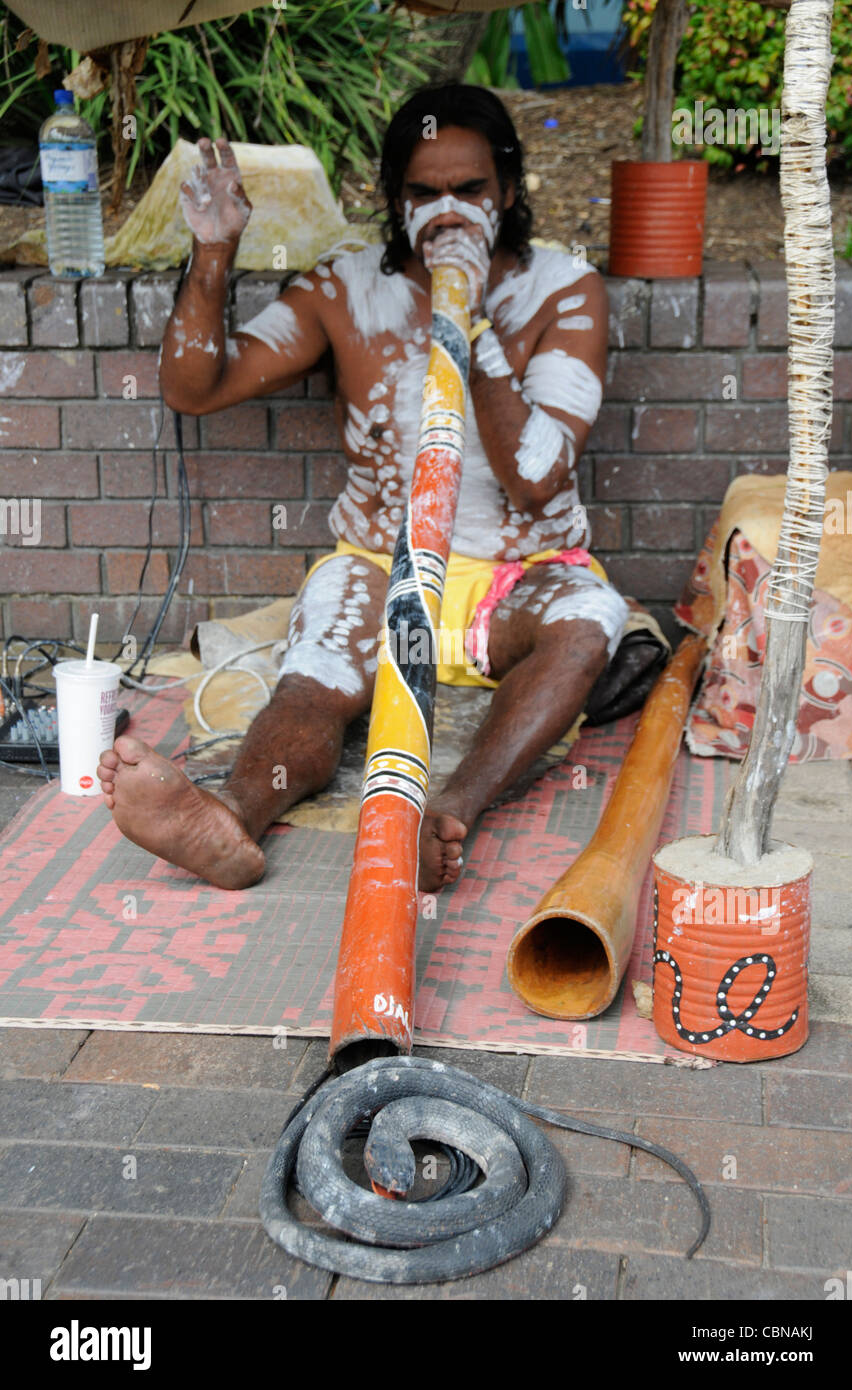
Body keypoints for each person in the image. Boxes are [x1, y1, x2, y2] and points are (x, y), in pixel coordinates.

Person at [98, 84, 629, 893]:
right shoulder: (344, 291)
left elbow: (535, 476)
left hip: (518, 578)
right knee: (316, 675)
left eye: (471, 190)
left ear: (508, 193)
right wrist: (214, 251)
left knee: (588, 622)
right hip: (382, 565)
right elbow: (193, 388)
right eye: (423, 193)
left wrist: (471, 324)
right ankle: (231, 816)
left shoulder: (562, 290)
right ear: (393, 200)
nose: (446, 212)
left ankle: (449, 809)